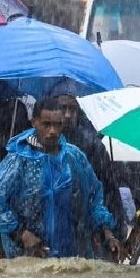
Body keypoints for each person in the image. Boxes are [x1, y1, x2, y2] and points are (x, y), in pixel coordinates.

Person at [0, 98, 122, 261]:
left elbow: (94, 197)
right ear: (34, 122)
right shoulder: (18, 160)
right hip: (27, 257)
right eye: (46, 124)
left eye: (57, 125)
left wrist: (107, 232)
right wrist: (22, 234)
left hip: (72, 256)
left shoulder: (74, 157)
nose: (53, 131)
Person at [53, 88, 127, 248]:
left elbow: (106, 189)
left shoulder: (92, 146)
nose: (67, 115)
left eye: (72, 109)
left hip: (85, 226)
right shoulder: (35, 146)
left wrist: (111, 231)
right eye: (62, 108)